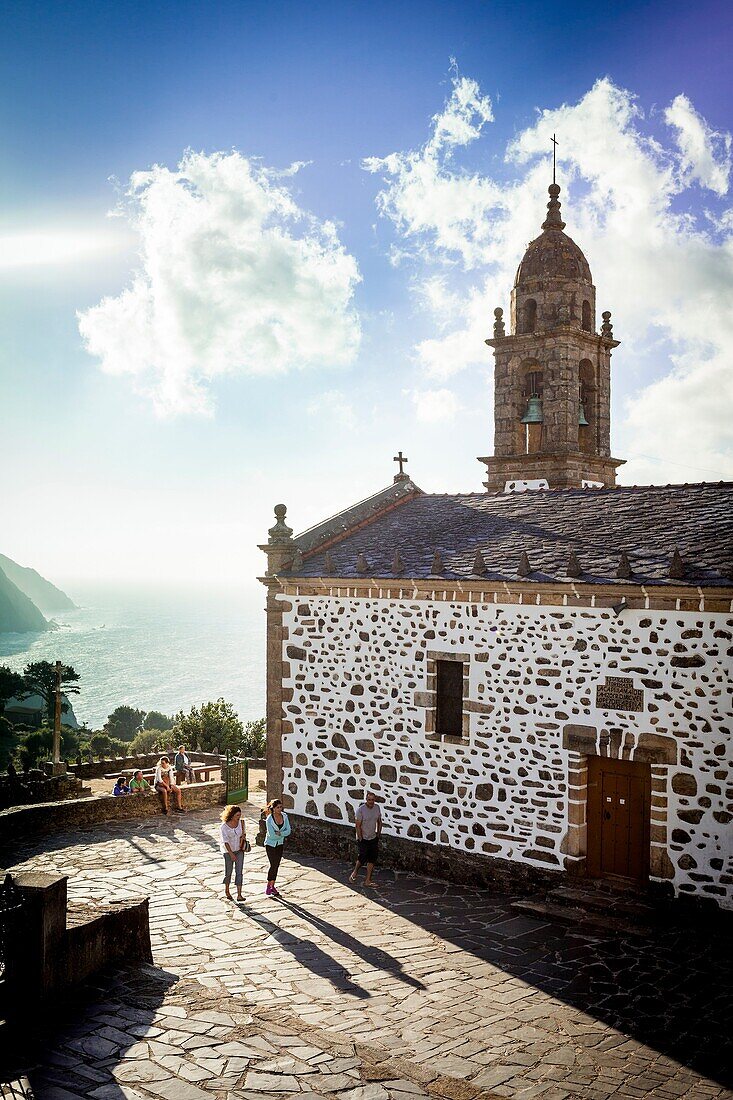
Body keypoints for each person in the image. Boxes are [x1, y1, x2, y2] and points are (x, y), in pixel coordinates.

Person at [350, 791, 382, 887]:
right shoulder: (360, 810)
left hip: (373, 837)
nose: (371, 802)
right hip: (363, 838)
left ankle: (368, 880)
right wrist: (360, 838)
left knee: (372, 859)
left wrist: (378, 834)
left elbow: (379, 821)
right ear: (366, 800)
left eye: (372, 800)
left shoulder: (377, 808)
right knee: (362, 857)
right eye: (369, 800)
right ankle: (355, 872)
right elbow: (357, 826)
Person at [219, 804, 247, 901]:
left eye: (240, 815)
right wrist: (231, 854)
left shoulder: (241, 823)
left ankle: (239, 894)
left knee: (239, 872)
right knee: (228, 872)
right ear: (231, 815)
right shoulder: (224, 827)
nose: (239, 817)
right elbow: (225, 841)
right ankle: (227, 890)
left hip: (239, 850)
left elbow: (243, 833)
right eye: (237, 816)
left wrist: (243, 838)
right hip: (228, 852)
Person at [264, 798, 291, 896]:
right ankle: (268, 885)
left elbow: (288, 831)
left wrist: (280, 833)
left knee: (277, 865)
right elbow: (271, 835)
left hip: (280, 844)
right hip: (270, 845)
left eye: (281, 807)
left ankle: (272, 886)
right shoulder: (269, 819)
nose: (280, 809)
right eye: (278, 807)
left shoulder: (285, 816)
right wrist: (281, 834)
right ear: (273, 808)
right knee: (273, 865)